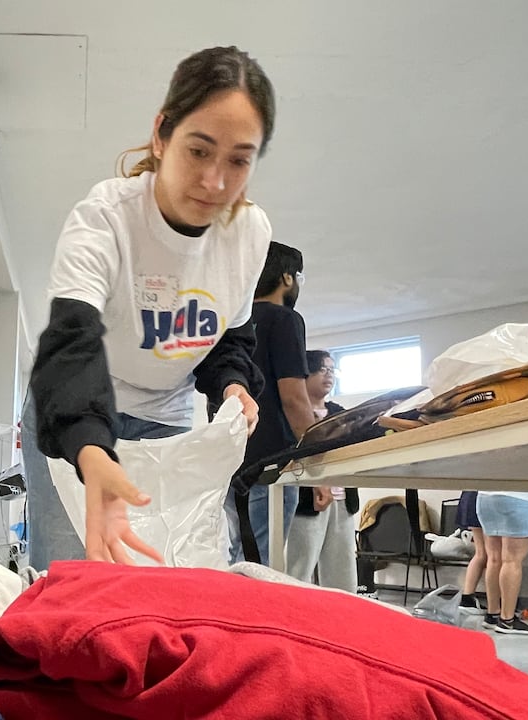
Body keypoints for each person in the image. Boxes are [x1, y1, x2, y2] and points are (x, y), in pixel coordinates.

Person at [23, 45, 277, 568]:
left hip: (169, 420)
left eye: (239, 160)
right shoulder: (106, 218)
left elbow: (230, 337)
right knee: (78, 577)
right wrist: (92, 454)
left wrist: (233, 386)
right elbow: (72, 340)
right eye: (199, 151)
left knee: (170, 578)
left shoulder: (250, 234)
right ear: (162, 136)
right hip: (80, 415)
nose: (216, 182)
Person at [224, 243, 315, 565]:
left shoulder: (233, 321)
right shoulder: (284, 319)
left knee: (240, 552)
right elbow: (293, 397)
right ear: (288, 278)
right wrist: (318, 464)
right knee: (261, 559)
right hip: (273, 461)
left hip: (231, 458)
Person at [285, 350, 359, 591]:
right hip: (306, 502)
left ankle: (343, 618)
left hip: (342, 500)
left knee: (343, 567)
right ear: (305, 374)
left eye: (332, 370)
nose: (329, 376)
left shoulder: (340, 413)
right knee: (300, 567)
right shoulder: (291, 415)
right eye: (322, 369)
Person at [477, 491, 528, 634]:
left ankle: (492, 614)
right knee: (512, 560)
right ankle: (507, 620)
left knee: (494, 558)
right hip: (519, 497)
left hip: (485, 497)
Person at [455, 491, 490, 612]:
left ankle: (467, 597)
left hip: (470, 498)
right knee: (492, 556)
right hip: (485, 499)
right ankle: (495, 605)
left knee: (481, 553)